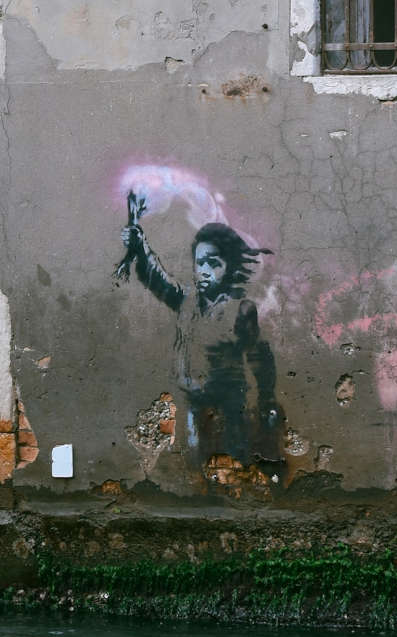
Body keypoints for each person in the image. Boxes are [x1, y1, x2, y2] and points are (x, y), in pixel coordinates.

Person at [116, 190, 282, 476]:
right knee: (195, 459)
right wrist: (140, 245)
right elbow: (159, 278)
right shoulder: (186, 300)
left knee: (233, 459)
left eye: (214, 263)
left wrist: (267, 398)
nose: (204, 270)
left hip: (230, 405)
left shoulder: (240, 310)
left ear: (229, 268)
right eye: (200, 262)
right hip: (193, 401)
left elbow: (259, 356)